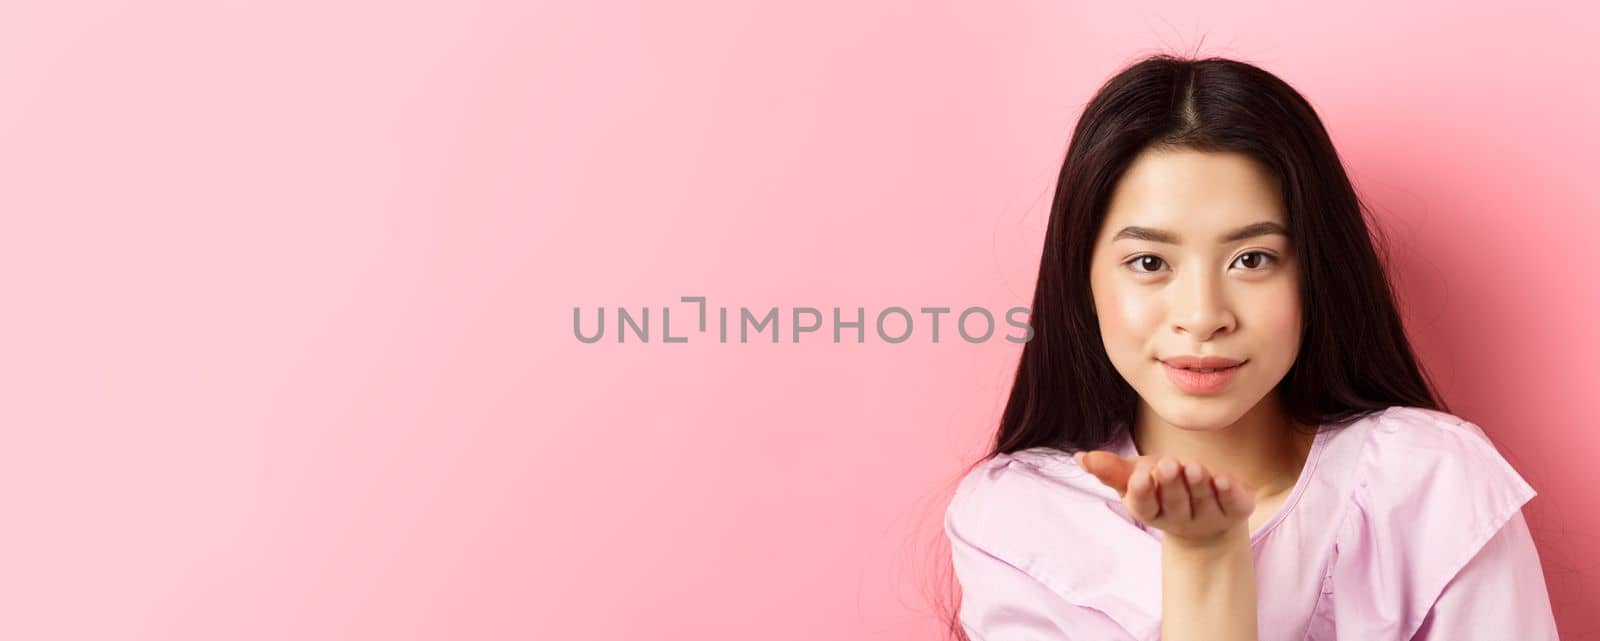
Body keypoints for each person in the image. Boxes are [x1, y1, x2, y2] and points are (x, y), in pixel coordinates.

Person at [941, 54, 1560, 641]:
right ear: (1083, 280)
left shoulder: (1429, 481)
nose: (1203, 317)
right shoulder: (1018, 517)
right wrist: (1205, 560)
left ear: (1314, 272)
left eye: (1252, 259)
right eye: (1149, 261)